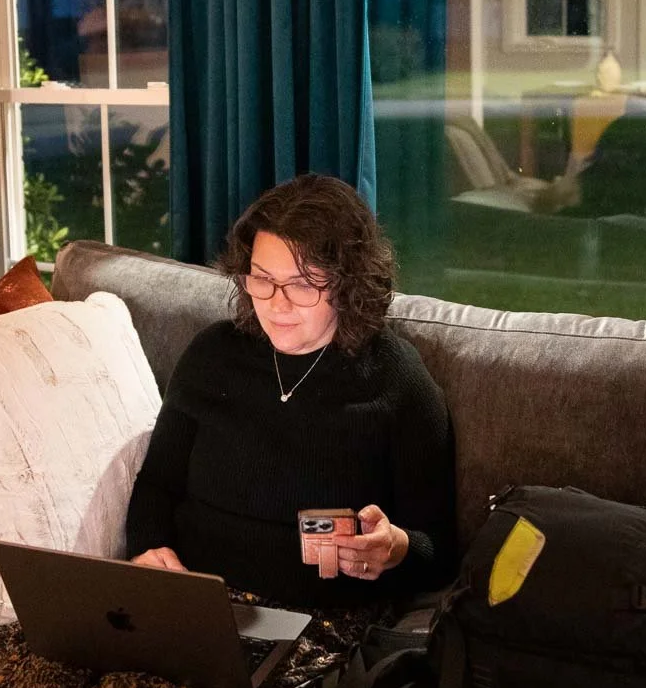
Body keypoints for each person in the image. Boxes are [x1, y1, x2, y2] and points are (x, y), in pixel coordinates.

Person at [125, 173, 457, 607]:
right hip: (192, 604)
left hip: (316, 625)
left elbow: (440, 550)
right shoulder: (212, 356)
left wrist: (395, 548)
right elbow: (156, 484)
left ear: (348, 284)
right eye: (261, 279)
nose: (277, 304)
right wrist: (149, 550)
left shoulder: (396, 381)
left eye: (302, 285)